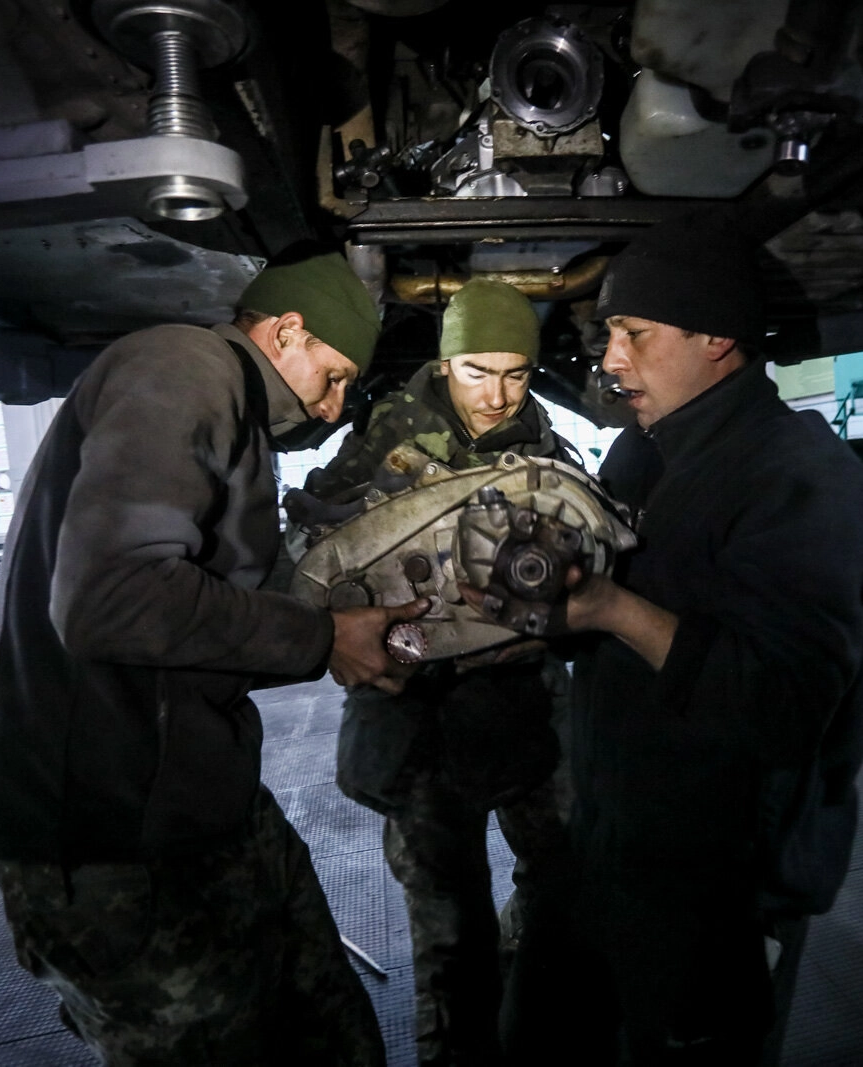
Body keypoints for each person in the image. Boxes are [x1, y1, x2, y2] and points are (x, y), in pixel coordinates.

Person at [0, 247, 428, 1066]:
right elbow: (113, 598)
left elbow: (228, 594)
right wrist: (324, 637)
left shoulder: (236, 417)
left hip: (203, 800)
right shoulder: (184, 363)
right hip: (107, 838)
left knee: (333, 1028)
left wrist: (345, 611)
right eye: (333, 377)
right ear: (285, 332)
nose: (332, 411)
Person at [493, 212, 863, 1066]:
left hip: (717, 889)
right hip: (602, 844)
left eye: (635, 334)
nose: (609, 361)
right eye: (609, 334)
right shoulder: (640, 458)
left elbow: (784, 709)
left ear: (718, 336)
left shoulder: (808, 484)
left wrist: (610, 610)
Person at [301, 279, 575, 1067]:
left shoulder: (541, 438)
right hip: (422, 720)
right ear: (445, 361)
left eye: (516, 373)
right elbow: (313, 556)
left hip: (523, 706)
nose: (497, 395)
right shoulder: (381, 439)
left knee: (566, 885)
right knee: (452, 934)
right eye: (478, 371)